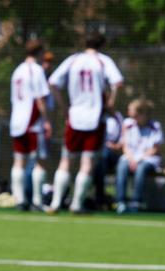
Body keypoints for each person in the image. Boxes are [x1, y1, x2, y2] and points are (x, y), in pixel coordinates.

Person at [46, 31, 123, 214]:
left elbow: (53, 82)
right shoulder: (103, 61)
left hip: (75, 116)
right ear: (102, 45)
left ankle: (56, 203)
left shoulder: (73, 60)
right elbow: (118, 82)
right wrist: (111, 102)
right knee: (87, 162)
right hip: (95, 117)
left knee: (66, 160)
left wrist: (64, 106)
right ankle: (76, 204)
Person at [9, 40, 52, 210]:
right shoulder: (37, 70)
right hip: (32, 121)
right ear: (40, 52)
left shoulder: (17, 70)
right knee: (41, 161)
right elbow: (40, 98)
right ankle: (37, 200)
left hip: (17, 120)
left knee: (19, 161)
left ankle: (19, 199)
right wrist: (47, 120)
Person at [115, 99, 164, 214]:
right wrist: (132, 159)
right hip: (130, 157)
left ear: (142, 114)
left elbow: (155, 149)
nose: (130, 114)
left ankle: (136, 202)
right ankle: (120, 202)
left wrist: (138, 159)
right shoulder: (127, 124)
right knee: (122, 166)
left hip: (148, 159)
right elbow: (125, 146)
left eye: (133, 113)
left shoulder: (155, 126)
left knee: (141, 169)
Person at [94, 110, 124, 209]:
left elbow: (123, 137)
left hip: (112, 155)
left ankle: (119, 200)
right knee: (99, 164)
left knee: (105, 158)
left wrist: (117, 146)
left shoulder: (118, 117)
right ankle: (99, 198)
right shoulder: (96, 112)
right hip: (96, 152)